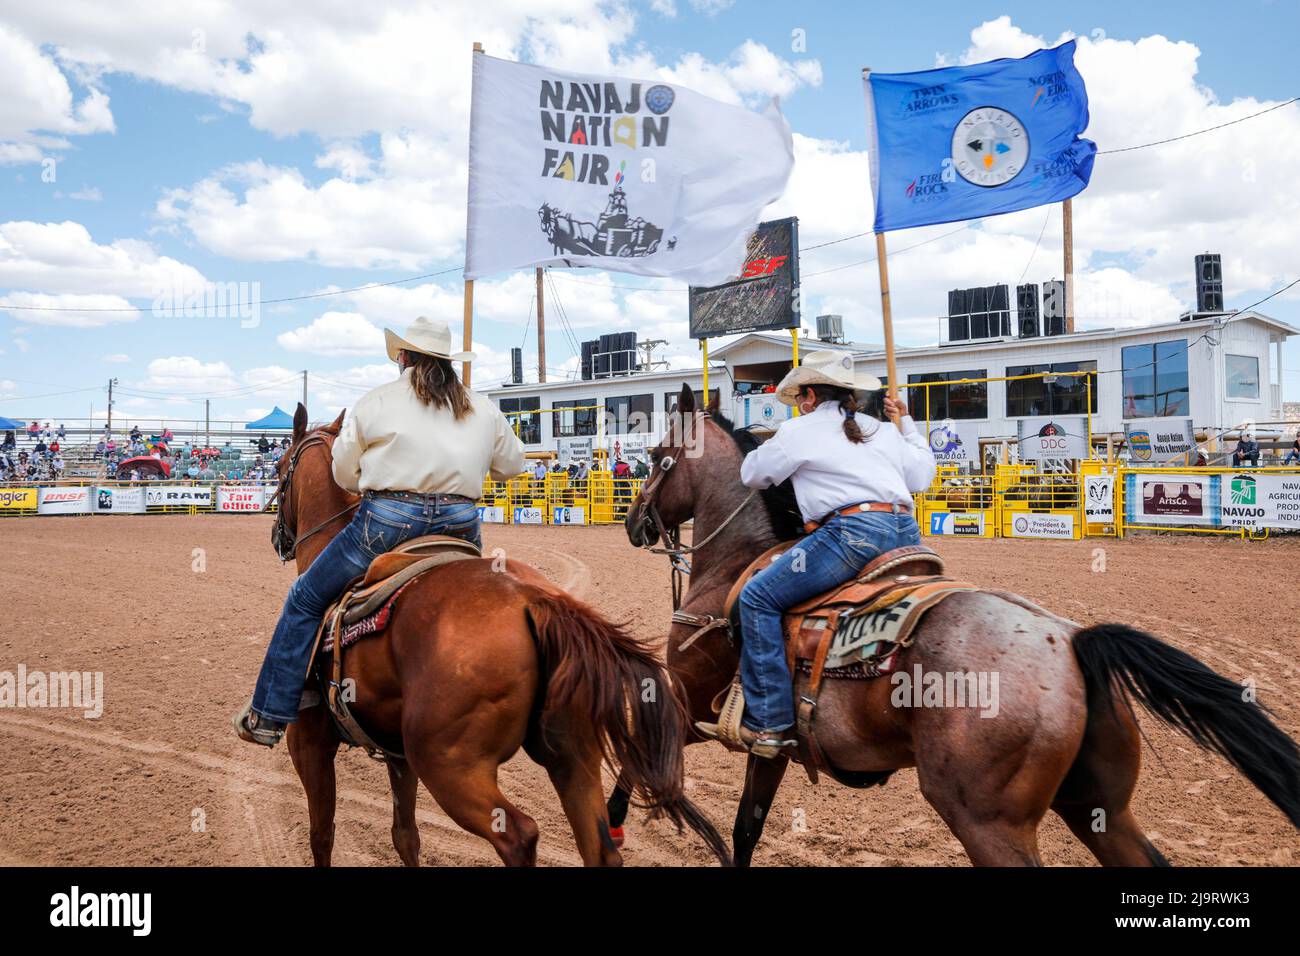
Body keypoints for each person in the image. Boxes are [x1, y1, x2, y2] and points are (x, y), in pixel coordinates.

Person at [234, 315, 526, 747]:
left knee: (305, 598)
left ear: (403, 358)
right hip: (460, 526)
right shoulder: (480, 406)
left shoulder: (376, 401)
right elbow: (513, 467)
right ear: (447, 361)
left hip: (388, 522)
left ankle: (270, 713)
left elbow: (344, 473)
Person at [696, 350, 936, 758]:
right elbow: (922, 476)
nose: (799, 406)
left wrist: (777, 441)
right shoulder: (881, 429)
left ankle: (770, 722)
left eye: (799, 398)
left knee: (758, 598)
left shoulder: (801, 430)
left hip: (853, 534)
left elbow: (752, 474)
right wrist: (906, 423)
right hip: (906, 534)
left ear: (808, 394)